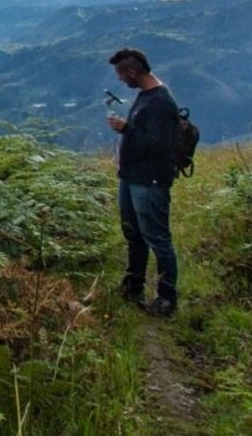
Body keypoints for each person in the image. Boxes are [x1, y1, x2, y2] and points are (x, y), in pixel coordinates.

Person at [105, 47, 179, 317]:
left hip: (150, 181)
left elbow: (159, 146)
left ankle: (167, 299)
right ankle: (133, 285)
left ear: (132, 72)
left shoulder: (159, 102)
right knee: (134, 234)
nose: (122, 81)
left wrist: (126, 129)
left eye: (122, 75)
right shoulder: (146, 96)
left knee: (157, 238)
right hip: (132, 177)